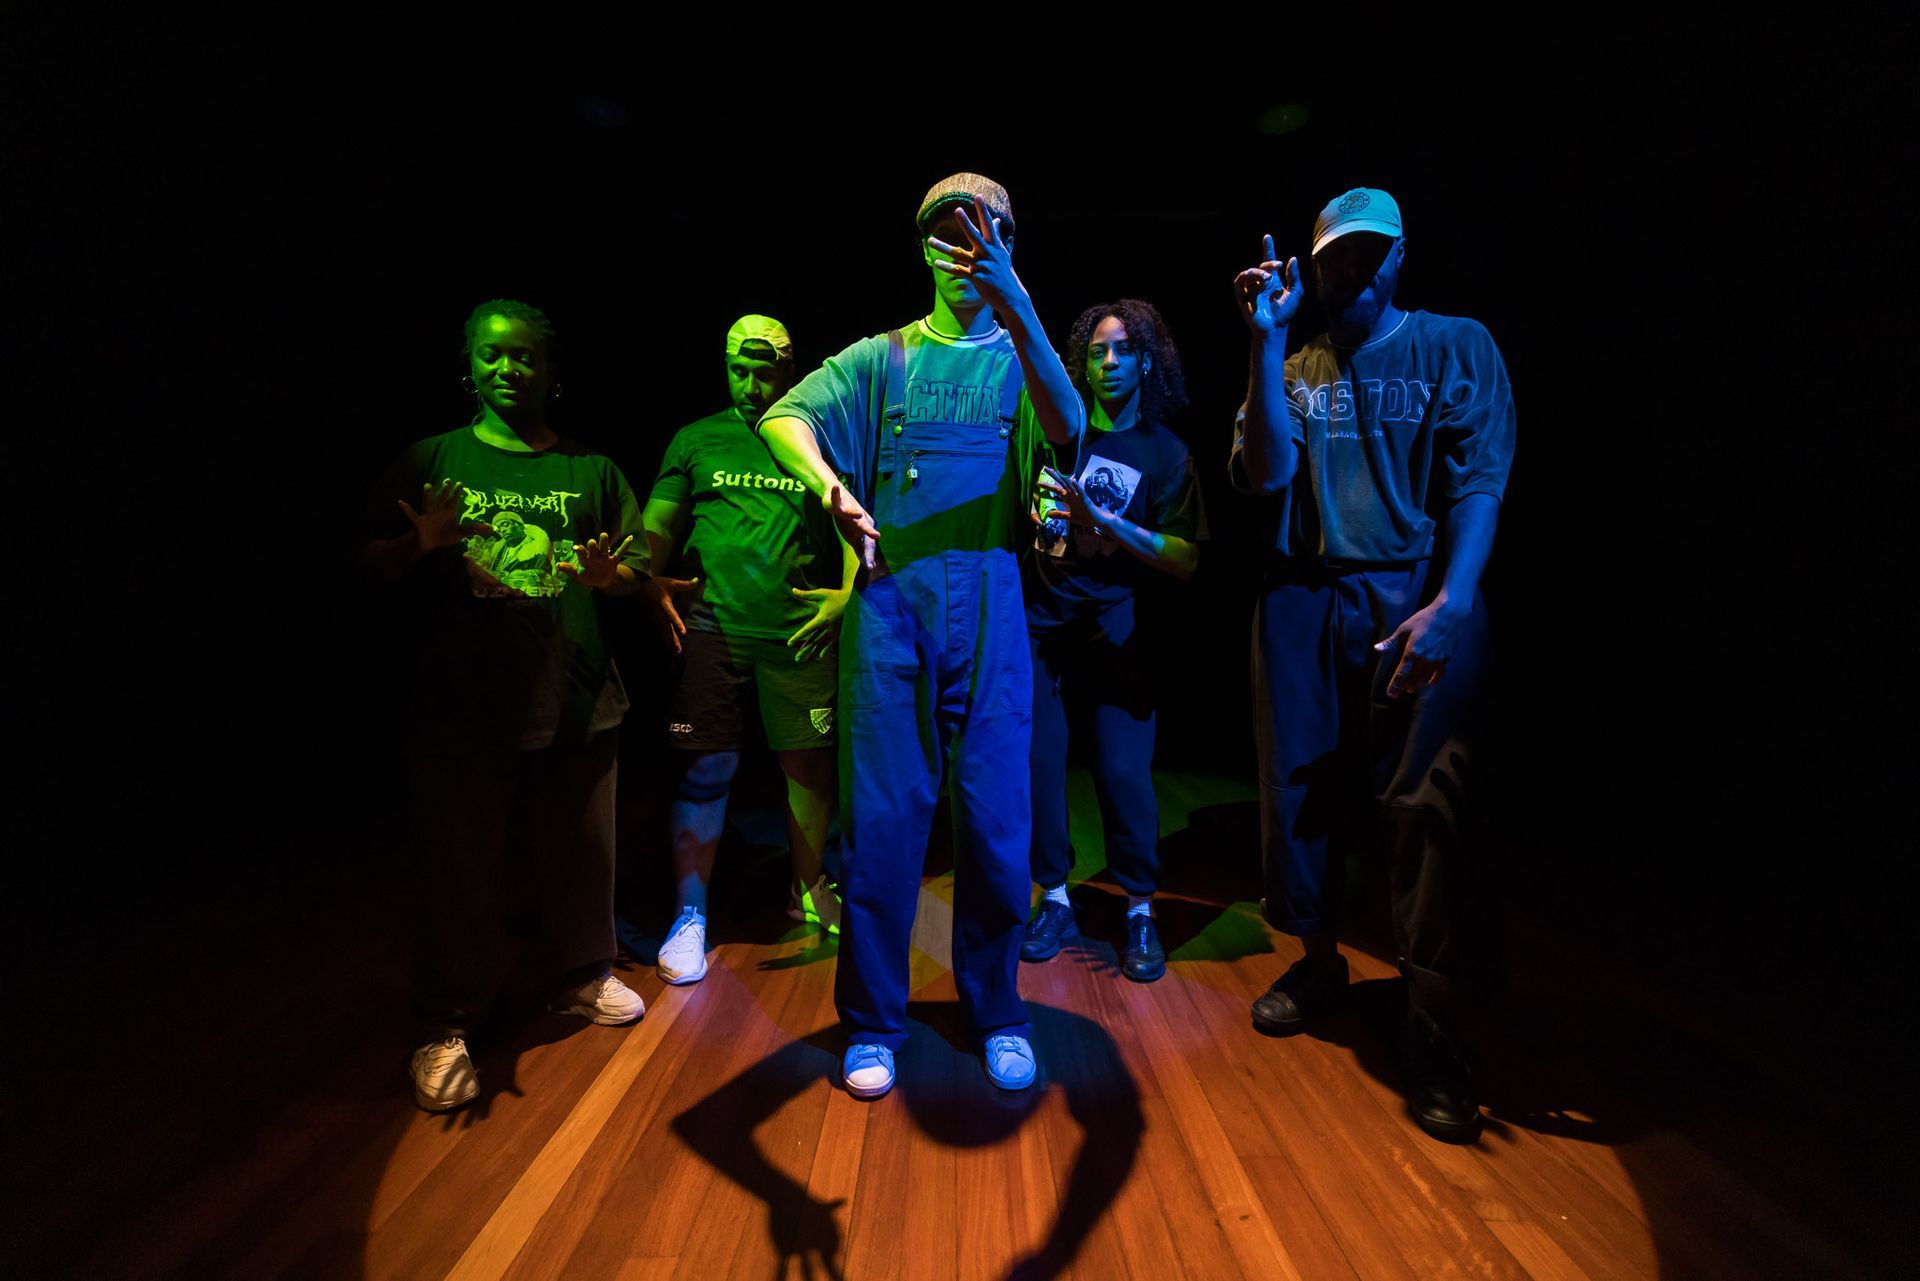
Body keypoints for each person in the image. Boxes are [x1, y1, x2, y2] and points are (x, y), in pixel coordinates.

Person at [754, 174, 1083, 1099]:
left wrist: (1020, 304)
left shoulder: (1021, 359)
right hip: (892, 607)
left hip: (993, 604)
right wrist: (831, 486)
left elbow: (1070, 426)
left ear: (1009, 246)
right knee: (884, 824)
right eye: (949, 234)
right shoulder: (882, 359)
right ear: (923, 248)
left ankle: (998, 1010)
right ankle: (872, 1021)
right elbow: (784, 417)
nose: (965, 250)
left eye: (986, 234)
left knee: (997, 826)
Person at [1230, 189, 1515, 1143]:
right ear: (1311, 269)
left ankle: (1434, 1022)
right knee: (1298, 794)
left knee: (1429, 810)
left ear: (1398, 256)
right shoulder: (1294, 363)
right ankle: (1321, 961)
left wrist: (1457, 599)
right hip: (1303, 594)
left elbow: (1478, 477)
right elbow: (1265, 474)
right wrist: (1266, 340)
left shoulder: (1451, 344)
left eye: (1367, 253)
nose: (1350, 270)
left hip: (1415, 592)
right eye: (1333, 258)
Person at [362, 299, 651, 1113]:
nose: (510, 367)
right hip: (463, 703)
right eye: (493, 354)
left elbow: (635, 569)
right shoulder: (433, 457)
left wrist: (610, 579)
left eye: (526, 355)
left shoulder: (593, 469)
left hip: (578, 695)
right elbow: (368, 562)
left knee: (583, 854)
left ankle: (582, 975)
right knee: (459, 868)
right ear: (469, 366)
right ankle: (447, 1022)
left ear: (550, 371)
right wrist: (417, 544)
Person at [641, 316, 858, 986]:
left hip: (798, 632)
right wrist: (647, 578)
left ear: (790, 371)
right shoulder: (697, 438)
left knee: (810, 769)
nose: (751, 384)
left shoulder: (813, 435)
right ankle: (690, 914)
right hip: (713, 629)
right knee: (705, 770)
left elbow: (852, 516)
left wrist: (847, 595)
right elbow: (655, 529)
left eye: (765, 371)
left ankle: (807, 889)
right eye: (740, 369)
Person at [1019, 299, 1205, 983]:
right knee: (1040, 766)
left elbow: (1186, 557)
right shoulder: (1057, 434)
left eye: (1123, 349)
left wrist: (1110, 525)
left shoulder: (1166, 452)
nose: (1109, 362)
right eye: (1097, 351)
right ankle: (1054, 897)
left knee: (1124, 773)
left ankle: (1139, 908)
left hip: (1120, 631)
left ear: (1146, 361)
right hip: (1044, 628)